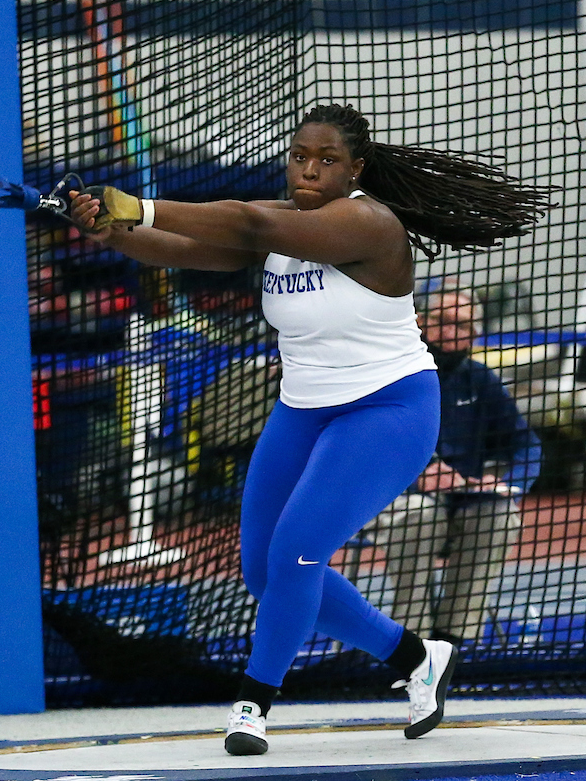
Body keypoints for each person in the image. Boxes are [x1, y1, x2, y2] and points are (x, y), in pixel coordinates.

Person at [68, 103, 553, 756]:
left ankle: (252, 706)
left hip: (389, 411)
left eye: (327, 160)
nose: (310, 168)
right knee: (263, 574)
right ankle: (417, 657)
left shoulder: (368, 222)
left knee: (298, 551)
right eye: (301, 155)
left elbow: (243, 218)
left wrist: (141, 204)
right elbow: (186, 249)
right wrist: (112, 232)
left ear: (355, 168)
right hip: (302, 410)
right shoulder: (281, 224)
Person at [361, 279, 542, 646]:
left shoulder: (480, 380)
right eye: (442, 320)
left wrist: (507, 483)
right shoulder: (385, 375)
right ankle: (409, 644)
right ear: (419, 321)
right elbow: (361, 451)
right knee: (421, 516)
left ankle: (450, 642)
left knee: (500, 516)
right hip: (390, 500)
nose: (451, 332)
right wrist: (418, 478)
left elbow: (526, 444)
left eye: (462, 325)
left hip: (464, 501)